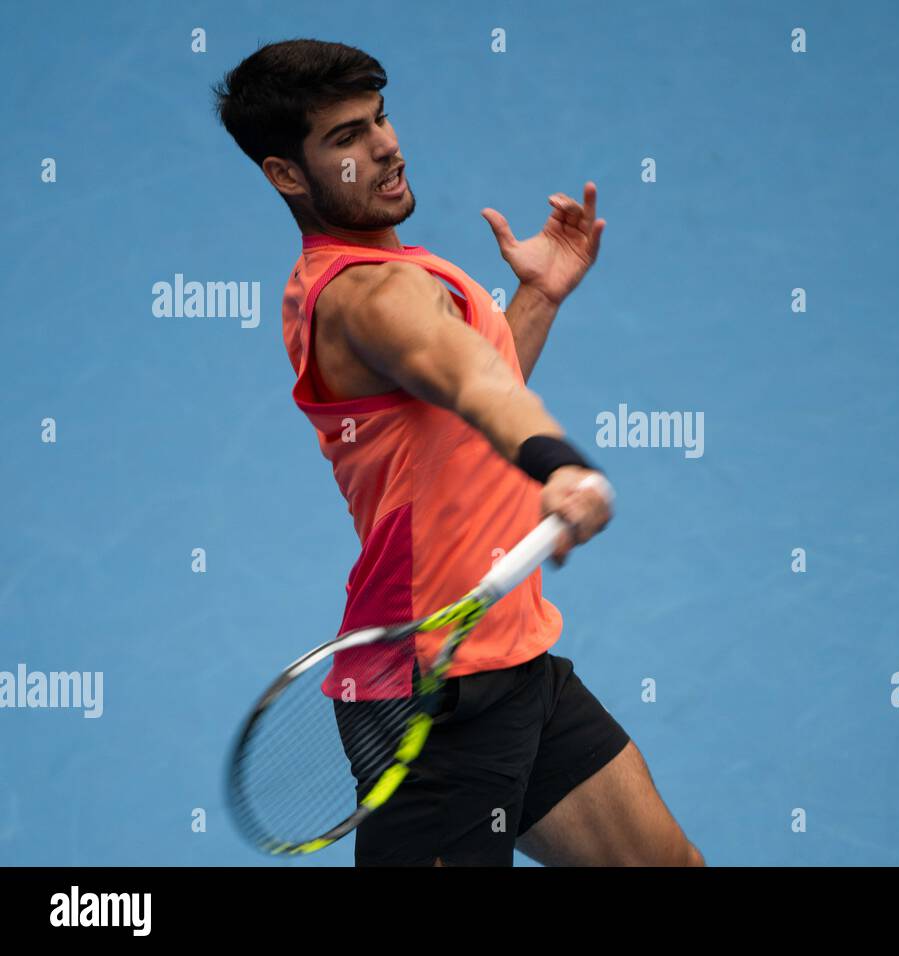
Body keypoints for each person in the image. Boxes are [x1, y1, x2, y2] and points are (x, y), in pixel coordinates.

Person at [214, 38, 703, 867]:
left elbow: (464, 406)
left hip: (513, 656)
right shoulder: (368, 296)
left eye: (380, 118)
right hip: (429, 694)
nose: (385, 146)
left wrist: (539, 298)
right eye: (345, 138)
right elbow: (478, 389)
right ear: (284, 174)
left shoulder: (404, 268)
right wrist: (561, 464)